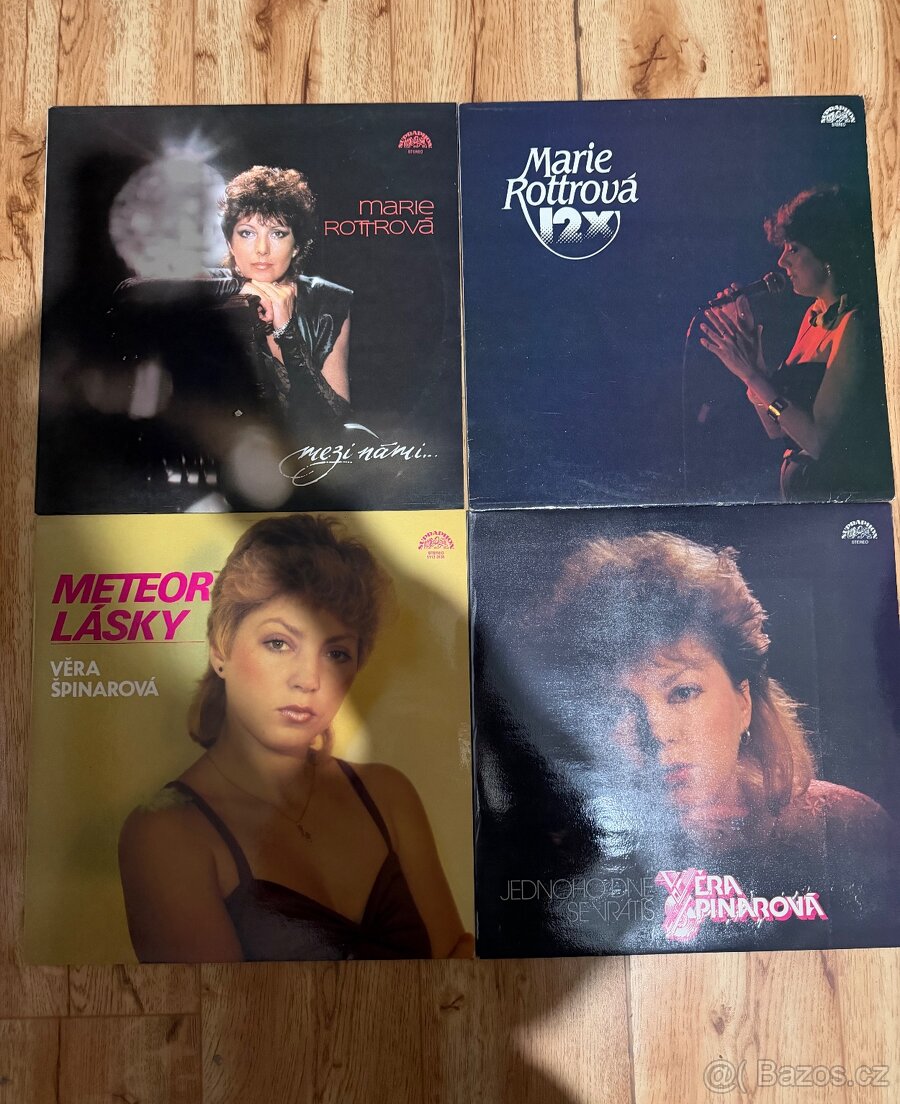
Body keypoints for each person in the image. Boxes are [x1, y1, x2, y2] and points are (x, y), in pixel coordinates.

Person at [119, 514, 472, 961]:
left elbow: (457, 962)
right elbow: (217, 1005)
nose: (309, 679)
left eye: (336, 652)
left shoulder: (388, 795)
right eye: (279, 643)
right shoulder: (167, 833)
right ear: (221, 647)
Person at [531, 531, 898, 951]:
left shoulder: (845, 826)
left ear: (743, 700)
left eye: (683, 692)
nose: (658, 733)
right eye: (618, 708)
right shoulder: (568, 862)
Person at [699, 185, 892, 500]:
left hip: (830, 494)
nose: (781, 261)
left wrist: (751, 374)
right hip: (801, 492)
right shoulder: (812, 317)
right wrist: (752, 360)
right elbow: (776, 429)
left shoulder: (851, 325)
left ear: (827, 255)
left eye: (794, 249)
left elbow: (818, 442)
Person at [220, 165, 353, 428]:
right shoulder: (211, 292)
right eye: (247, 233)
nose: (262, 249)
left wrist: (286, 331)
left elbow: (336, 420)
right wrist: (239, 293)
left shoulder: (327, 301)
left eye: (277, 233)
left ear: (296, 247)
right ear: (230, 244)